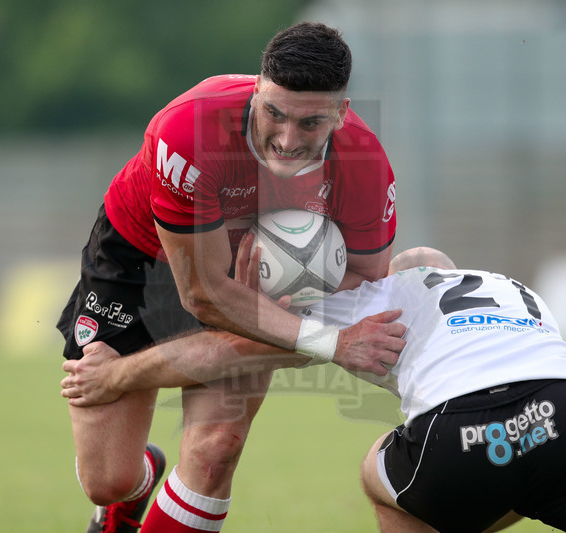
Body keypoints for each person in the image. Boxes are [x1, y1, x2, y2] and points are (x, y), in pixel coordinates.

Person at [63, 244, 566, 532]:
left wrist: (117, 374)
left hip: (464, 440)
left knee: (379, 473)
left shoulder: (384, 297)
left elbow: (231, 347)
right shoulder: (509, 285)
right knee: (536, 470)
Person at [56, 21, 404, 533]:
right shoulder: (186, 131)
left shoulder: (365, 162)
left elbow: (365, 283)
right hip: (139, 259)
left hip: (259, 279)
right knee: (108, 480)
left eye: (310, 124)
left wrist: (304, 303)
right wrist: (331, 343)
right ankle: (139, 479)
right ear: (257, 90)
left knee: (217, 448)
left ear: (341, 114)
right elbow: (204, 294)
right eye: (274, 114)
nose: (287, 140)